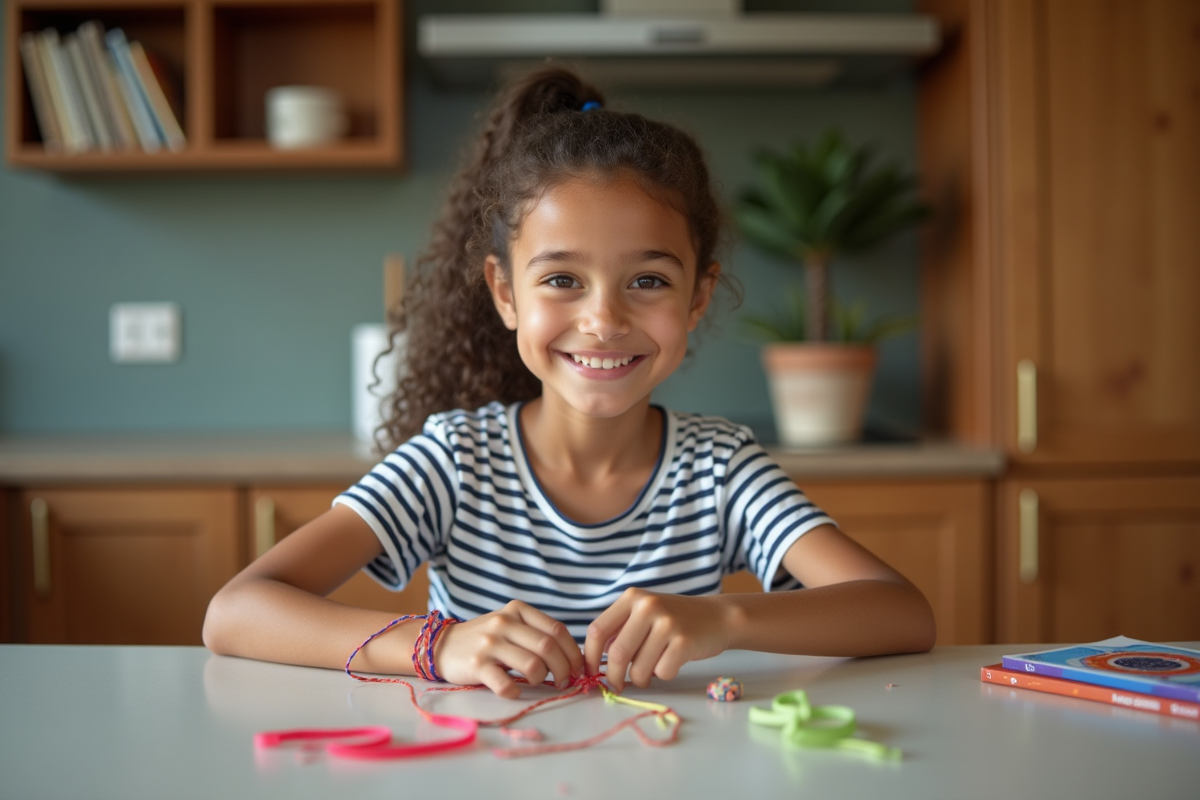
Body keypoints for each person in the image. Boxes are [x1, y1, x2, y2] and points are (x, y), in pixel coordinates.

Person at [203, 67, 936, 699]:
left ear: (699, 296)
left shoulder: (722, 469)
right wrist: (439, 647)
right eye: (561, 279)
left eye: (647, 280)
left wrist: (726, 618)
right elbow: (237, 612)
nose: (604, 319)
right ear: (505, 292)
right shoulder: (455, 461)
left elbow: (901, 612)